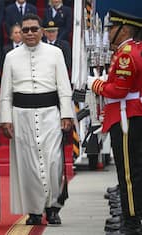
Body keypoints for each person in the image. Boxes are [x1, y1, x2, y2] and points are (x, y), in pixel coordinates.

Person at [0, 13, 73, 225]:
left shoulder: (55, 53)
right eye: (25, 30)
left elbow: (63, 86)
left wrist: (66, 114)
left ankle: (53, 208)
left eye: (34, 29)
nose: (30, 33)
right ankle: (35, 212)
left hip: (50, 114)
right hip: (21, 116)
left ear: (41, 31)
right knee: (28, 167)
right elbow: (6, 91)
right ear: (20, 33)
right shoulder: (11, 57)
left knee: (53, 163)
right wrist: (5, 118)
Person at [87, 9, 142, 235]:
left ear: (124, 29)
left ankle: (131, 223)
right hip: (126, 114)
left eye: (112, 29)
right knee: (131, 170)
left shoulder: (127, 54)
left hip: (125, 116)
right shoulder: (129, 50)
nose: (108, 33)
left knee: (128, 173)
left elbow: (118, 90)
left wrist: (94, 84)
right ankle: (131, 217)